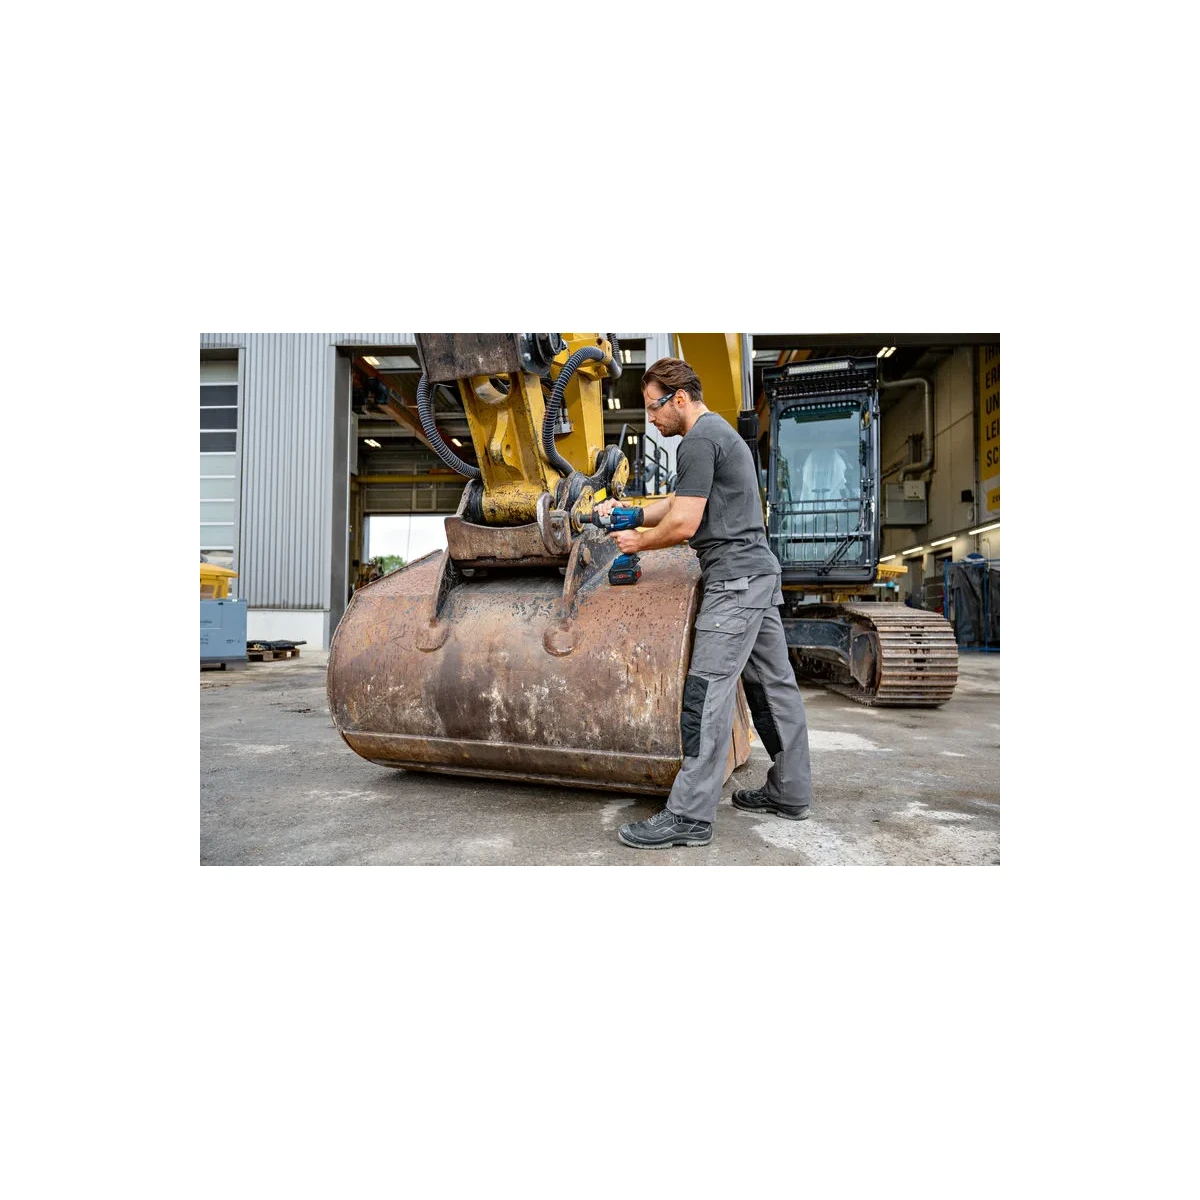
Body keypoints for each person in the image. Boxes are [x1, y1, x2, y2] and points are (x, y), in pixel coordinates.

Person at [596, 357, 813, 849]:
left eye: (654, 408)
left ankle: (690, 815)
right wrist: (631, 513)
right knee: (773, 688)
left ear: (679, 398)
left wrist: (637, 542)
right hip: (757, 575)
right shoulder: (718, 434)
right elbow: (679, 502)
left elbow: (683, 523)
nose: (651, 419)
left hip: (733, 583)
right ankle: (791, 790)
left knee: (706, 693)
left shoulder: (696, 441)